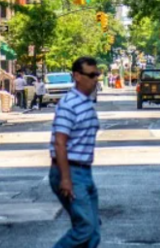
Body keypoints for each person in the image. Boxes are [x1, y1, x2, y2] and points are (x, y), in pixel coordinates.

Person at [49, 57, 102, 248]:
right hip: (70, 171)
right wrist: (65, 178)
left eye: (97, 75)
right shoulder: (69, 104)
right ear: (77, 76)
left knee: (93, 233)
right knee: (85, 228)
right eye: (91, 75)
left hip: (84, 172)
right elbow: (60, 143)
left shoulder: (86, 103)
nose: (95, 79)